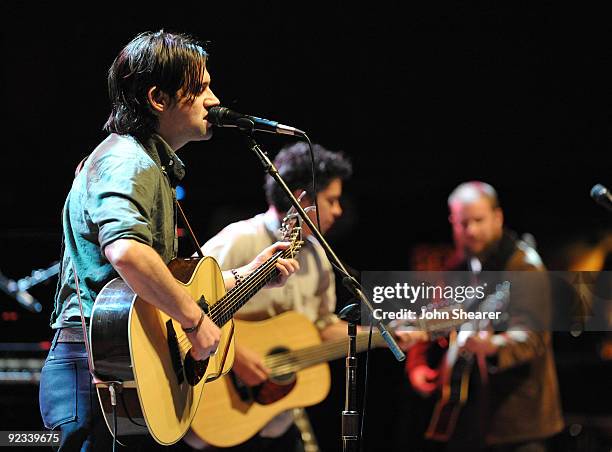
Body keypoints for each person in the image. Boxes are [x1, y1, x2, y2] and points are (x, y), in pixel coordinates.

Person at [38, 30, 299, 451]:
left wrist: (250, 274)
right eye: (200, 89)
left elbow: (165, 282)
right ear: (159, 98)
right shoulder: (128, 161)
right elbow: (126, 251)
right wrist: (195, 322)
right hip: (95, 371)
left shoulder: (146, 165)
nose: (214, 100)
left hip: (123, 370)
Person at [186, 142, 422, 451]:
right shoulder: (240, 239)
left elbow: (321, 328)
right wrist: (236, 355)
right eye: (332, 200)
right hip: (222, 411)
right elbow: (185, 305)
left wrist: (382, 335)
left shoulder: (319, 257)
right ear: (303, 199)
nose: (339, 210)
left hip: (277, 420)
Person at [406, 181, 564, 452]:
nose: (472, 231)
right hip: (466, 420)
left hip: (517, 424)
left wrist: (493, 346)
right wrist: (417, 364)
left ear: (498, 217)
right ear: (452, 222)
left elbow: (532, 337)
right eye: (463, 224)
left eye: (479, 220)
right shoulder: (457, 266)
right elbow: (431, 319)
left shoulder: (524, 268)